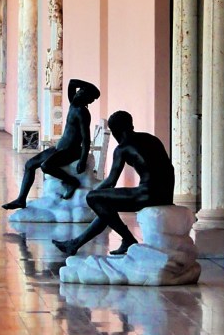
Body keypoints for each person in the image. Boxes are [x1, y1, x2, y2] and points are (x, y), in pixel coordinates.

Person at [53, 109, 175, 256]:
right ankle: (75, 244)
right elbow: (169, 167)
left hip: (148, 194)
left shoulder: (122, 148)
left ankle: (128, 239)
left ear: (116, 130)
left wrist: (92, 192)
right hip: (165, 193)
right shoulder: (150, 138)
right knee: (106, 208)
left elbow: (111, 181)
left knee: (94, 198)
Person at [2, 78, 100, 210]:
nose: (77, 93)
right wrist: (89, 87)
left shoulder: (82, 112)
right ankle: (21, 199)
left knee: (46, 166)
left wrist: (82, 160)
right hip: (60, 148)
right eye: (80, 92)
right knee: (30, 164)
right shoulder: (74, 104)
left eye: (83, 94)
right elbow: (72, 83)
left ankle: (71, 182)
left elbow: (86, 138)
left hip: (72, 151)